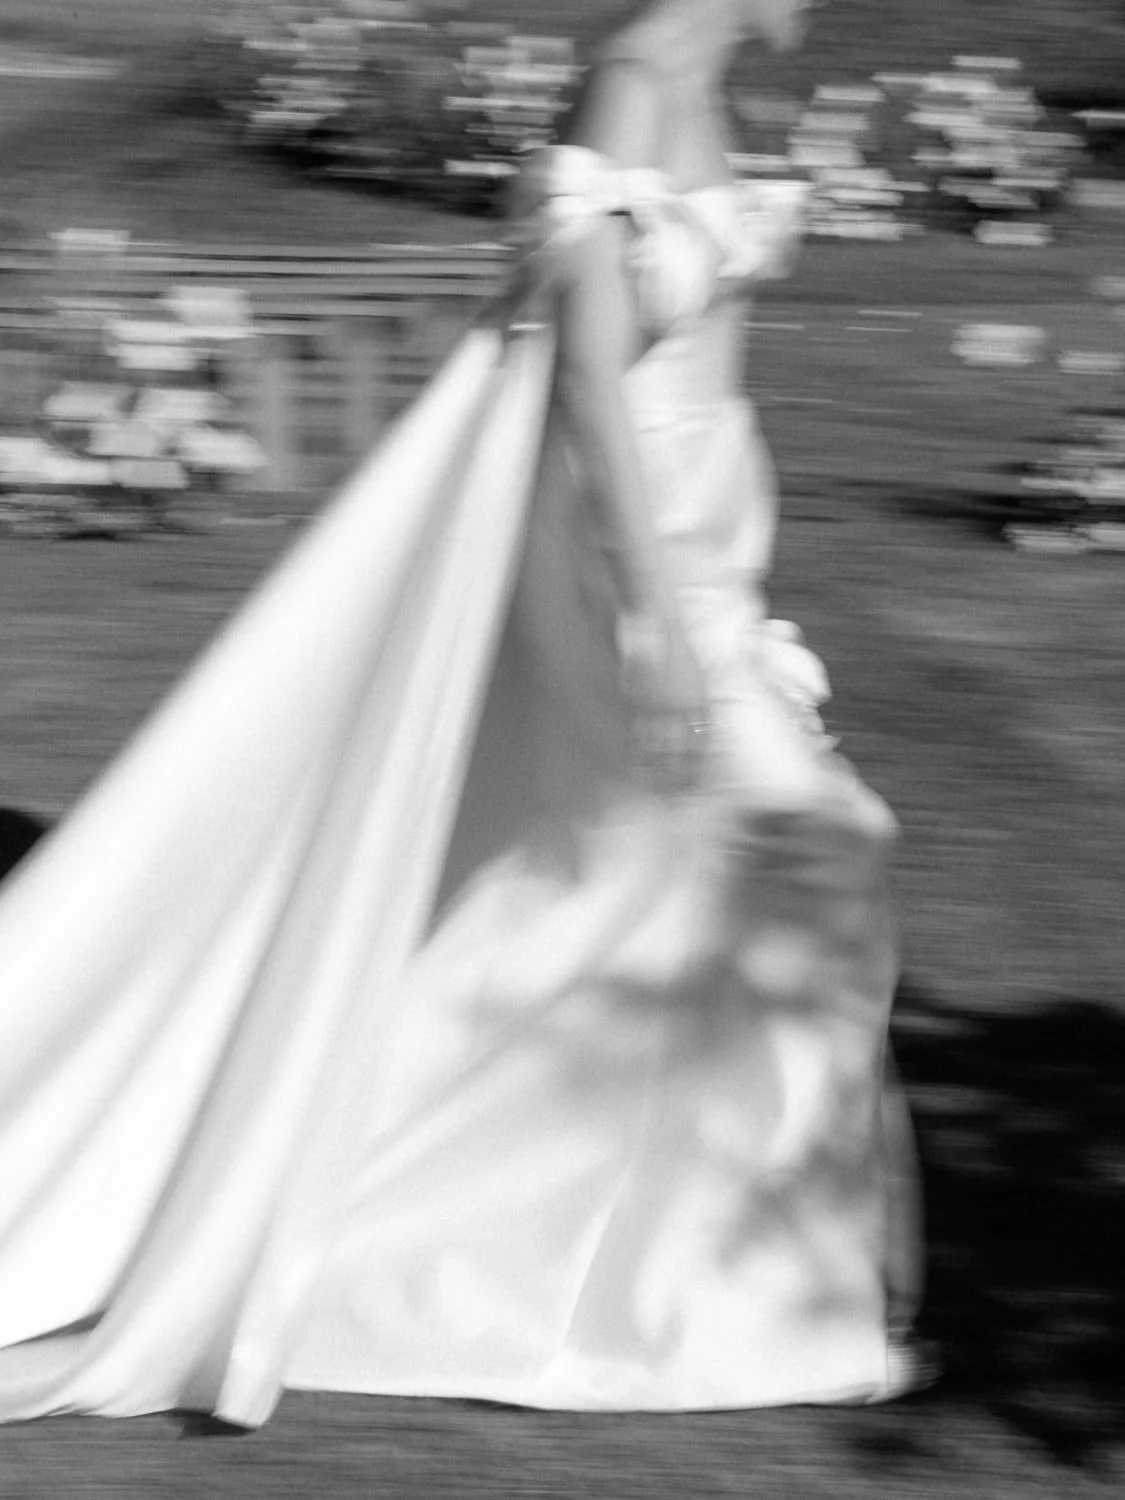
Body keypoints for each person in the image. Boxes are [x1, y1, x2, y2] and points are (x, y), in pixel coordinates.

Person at [0, 0, 926, 1428]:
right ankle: (374, 1224)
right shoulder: (628, 82)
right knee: (809, 840)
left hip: (700, 535)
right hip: (637, 545)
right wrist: (654, 611)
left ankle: (708, 1287)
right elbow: (586, 374)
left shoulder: (693, 81)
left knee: (657, 885)